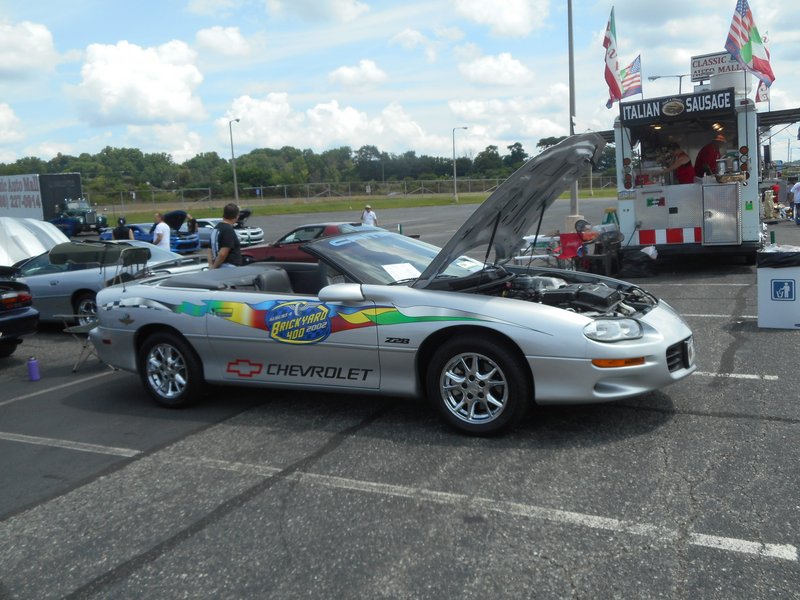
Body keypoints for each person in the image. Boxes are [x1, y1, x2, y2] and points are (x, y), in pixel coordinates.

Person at [208, 203, 242, 268]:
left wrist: (210, 265)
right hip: (229, 268)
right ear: (236, 216)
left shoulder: (216, 228)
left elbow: (209, 250)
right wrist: (214, 267)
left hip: (218, 265)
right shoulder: (228, 230)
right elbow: (222, 254)